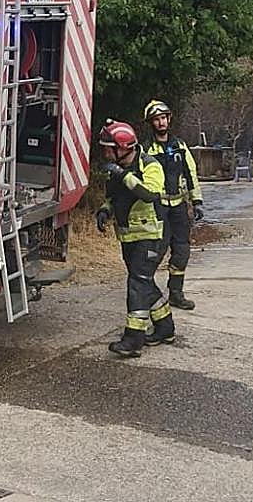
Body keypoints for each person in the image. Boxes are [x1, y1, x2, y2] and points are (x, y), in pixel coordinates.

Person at [95, 119, 175, 357]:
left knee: (137, 283)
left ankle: (133, 338)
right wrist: (105, 210)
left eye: (109, 148)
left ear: (123, 147)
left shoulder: (150, 165)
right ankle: (165, 327)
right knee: (143, 281)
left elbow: (149, 193)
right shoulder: (114, 169)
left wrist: (123, 175)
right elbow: (113, 196)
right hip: (130, 237)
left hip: (152, 236)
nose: (106, 152)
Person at [142, 99, 205, 310]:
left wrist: (197, 201)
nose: (160, 123)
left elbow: (191, 172)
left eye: (163, 118)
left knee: (181, 250)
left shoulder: (180, 146)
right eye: (156, 120)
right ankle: (145, 291)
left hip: (178, 207)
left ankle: (176, 293)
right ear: (151, 123)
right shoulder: (145, 150)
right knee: (155, 251)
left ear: (169, 119)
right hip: (157, 208)